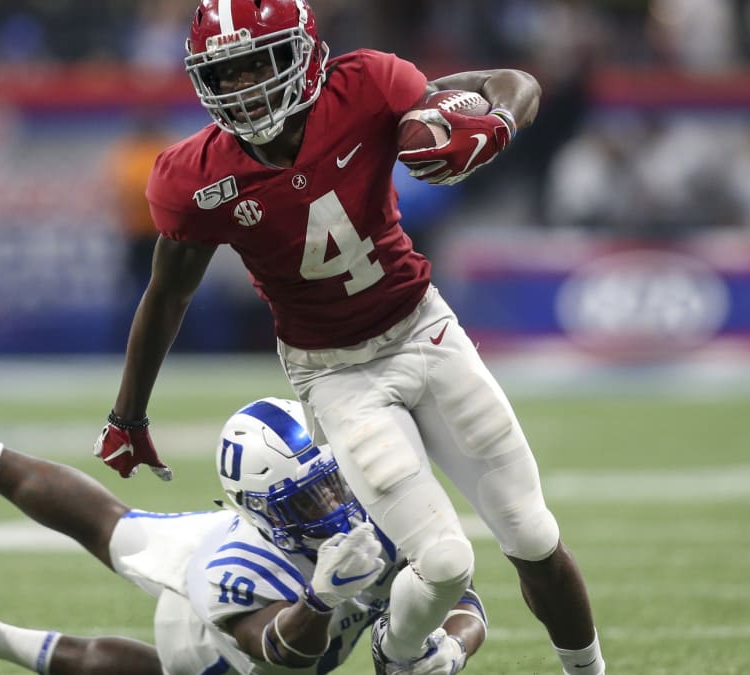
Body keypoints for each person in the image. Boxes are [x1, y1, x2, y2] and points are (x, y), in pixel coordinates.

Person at [91, 1, 606, 673]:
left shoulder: (366, 84)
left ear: (303, 54)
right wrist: (127, 412)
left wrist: (497, 122)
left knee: (534, 534)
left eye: (258, 65)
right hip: (336, 374)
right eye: (226, 73)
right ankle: (397, 654)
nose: (244, 87)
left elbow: (518, 83)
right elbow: (168, 294)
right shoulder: (196, 177)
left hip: (425, 329)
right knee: (445, 562)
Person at [0, 390, 487, 674]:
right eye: (307, 496)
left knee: (110, 523)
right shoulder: (231, 570)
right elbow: (277, 655)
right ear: (265, 511)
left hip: (266, 568)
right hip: (228, 623)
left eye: (332, 480)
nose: (335, 503)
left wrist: (452, 648)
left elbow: (465, 597)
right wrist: (319, 597)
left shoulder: (370, 499)